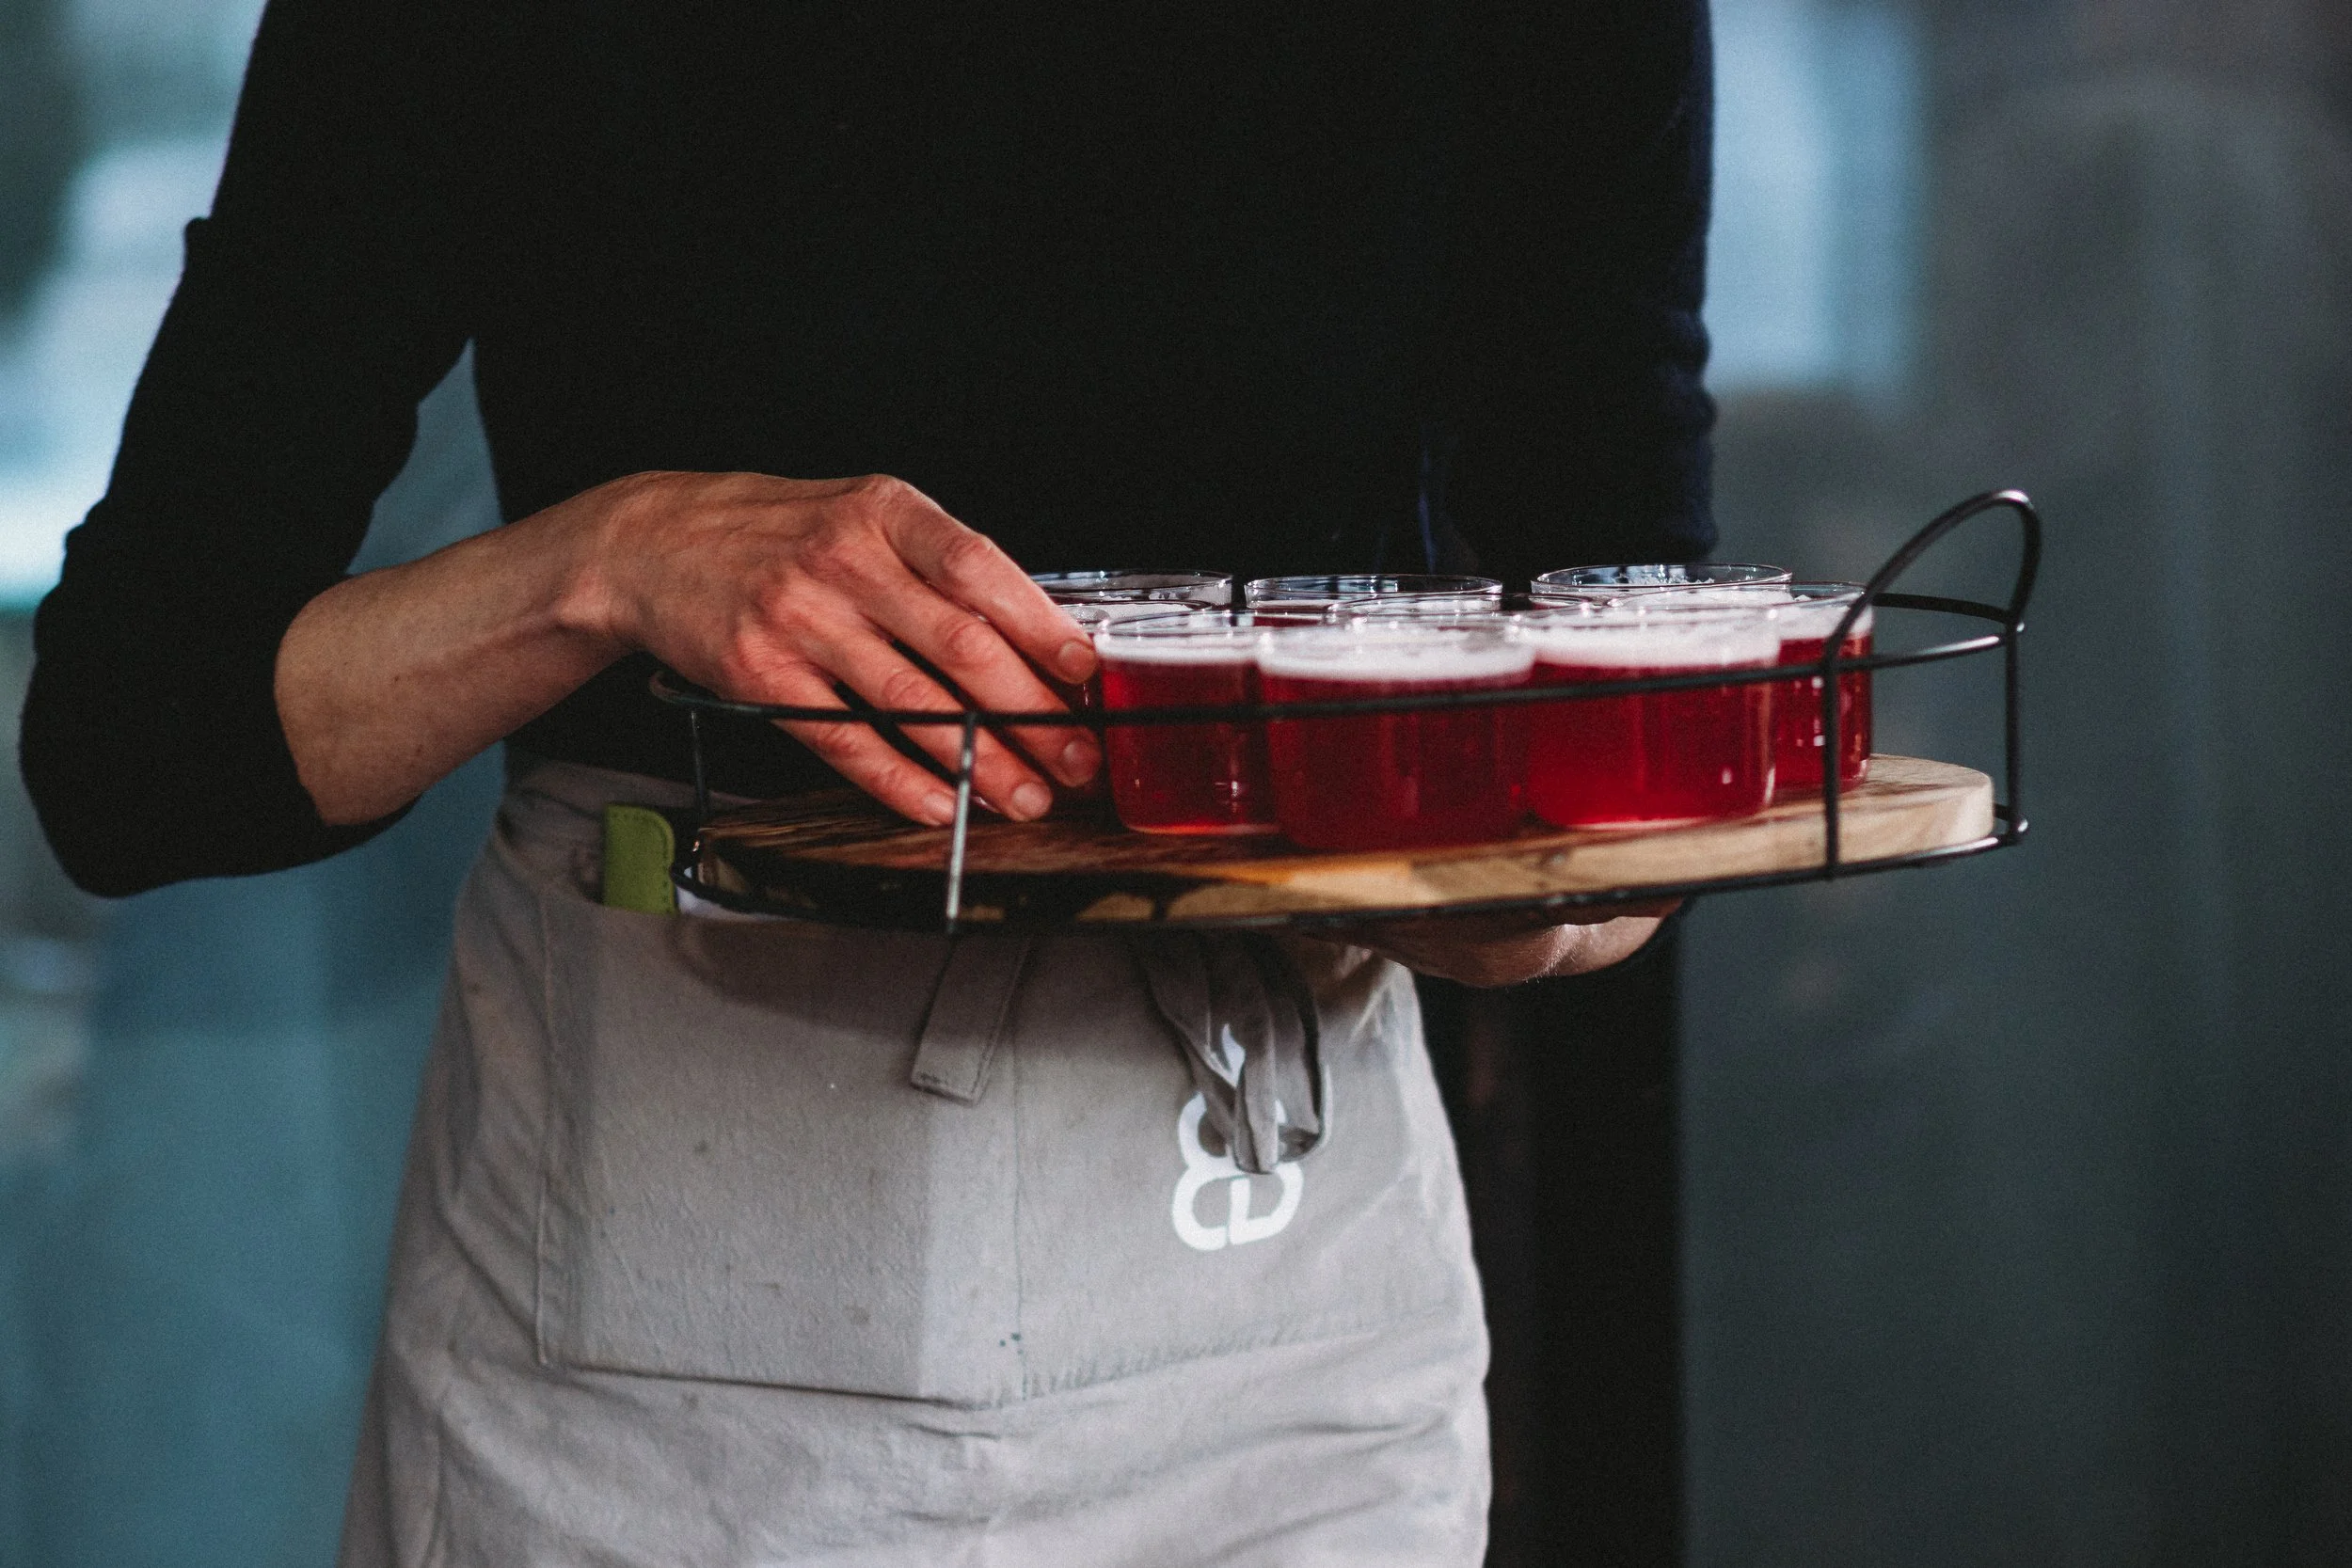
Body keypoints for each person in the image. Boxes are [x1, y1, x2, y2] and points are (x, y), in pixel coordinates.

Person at [22, 0, 1715, 1561]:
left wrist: (1533, 898)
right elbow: (131, 748)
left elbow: (1636, 634)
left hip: (1288, 1338)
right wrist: (603, 558)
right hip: (646, 1337)